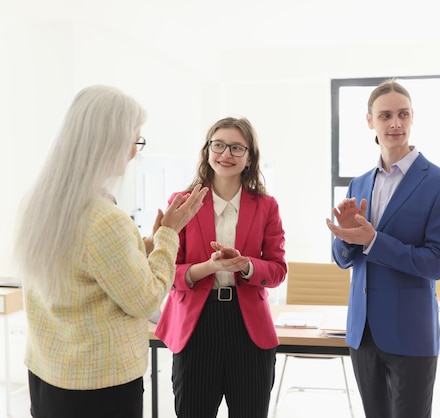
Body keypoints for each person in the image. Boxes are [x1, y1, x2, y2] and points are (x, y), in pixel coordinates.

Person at [12, 85, 208, 418]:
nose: (136, 152)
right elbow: (145, 299)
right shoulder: (104, 218)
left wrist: (145, 243)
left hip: (47, 372)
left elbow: (86, 268)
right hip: (97, 385)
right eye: (135, 141)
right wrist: (168, 236)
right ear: (109, 142)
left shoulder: (37, 200)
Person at [325, 79, 440, 418]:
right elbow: (345, 260)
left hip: (411, 333)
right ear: (370, 121)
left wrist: (373, 241)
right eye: (385, 115)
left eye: (403, 114)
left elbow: (437, 262)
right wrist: (344, 239)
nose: (395, 123)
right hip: (362, 331)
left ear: (413, 117)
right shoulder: (359, 182)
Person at [155, 116, 287, 418]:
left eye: (237, 148)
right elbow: (164, 270)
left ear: (249, 157)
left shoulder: (266, 206)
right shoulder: (182, 202)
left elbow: (278, 269)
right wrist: (207, 267)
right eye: (219, 145)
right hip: (196, 326)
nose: (226, 154)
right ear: (207, 151)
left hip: (248, 328)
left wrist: (246, 266)